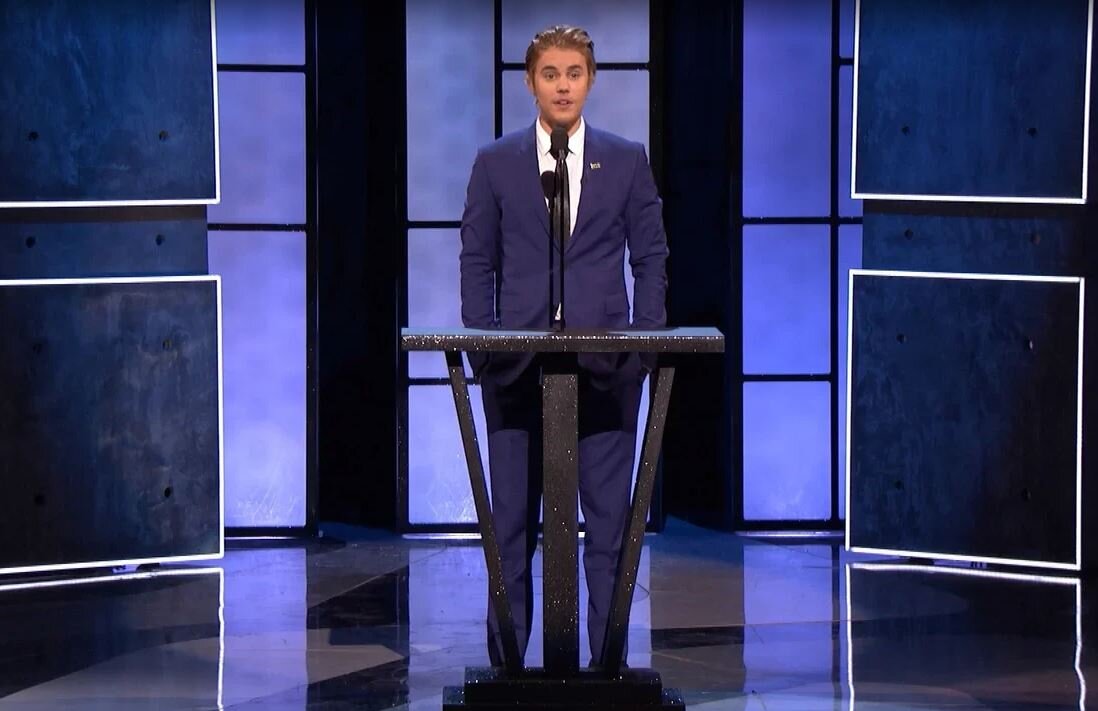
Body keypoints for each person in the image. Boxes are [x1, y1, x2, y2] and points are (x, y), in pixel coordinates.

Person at [459, 24, 668, 668]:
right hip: (517, 370)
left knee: (608, 530)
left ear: (591, 80)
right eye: (550, 74)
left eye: (574, 73)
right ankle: (509, 670)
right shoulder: (496, 162)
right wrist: (484, 350)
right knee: (511, 528)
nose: (562, 86)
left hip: (605, 370)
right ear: (531, 82)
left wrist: (642, 350)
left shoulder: (626, 159)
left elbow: (650, 259)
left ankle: (607, 666)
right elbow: (477, 260)